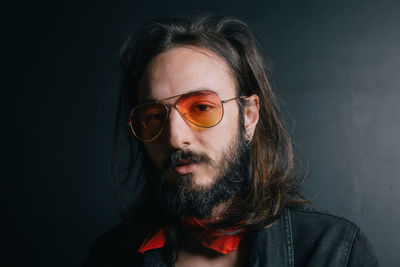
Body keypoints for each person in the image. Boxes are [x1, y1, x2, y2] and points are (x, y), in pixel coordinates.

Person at [84, 14, 378, 267]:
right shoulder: (111, 256)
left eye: (201, 107)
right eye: (153, 118)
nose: (175, 138)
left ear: (249, 116)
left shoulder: (334, 252)